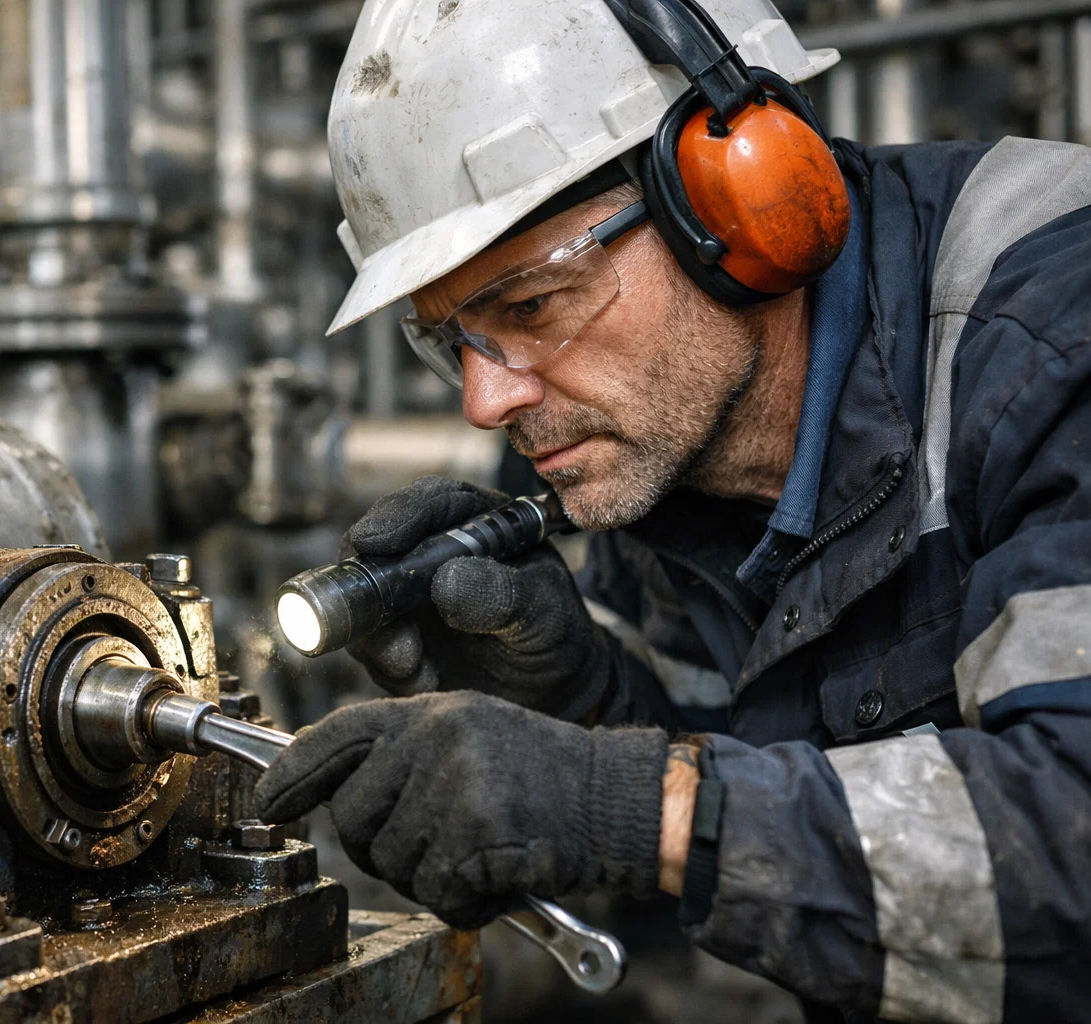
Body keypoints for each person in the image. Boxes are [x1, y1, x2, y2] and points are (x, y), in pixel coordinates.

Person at [251, 0, 1091, 1021]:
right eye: (453, 341)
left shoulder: (1051, 325)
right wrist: (593, 702)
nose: (486, 400)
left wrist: (628, 807)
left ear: (736, 202)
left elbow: (1070, 850)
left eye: (530, 308)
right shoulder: (664, 465)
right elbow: (784, 846)